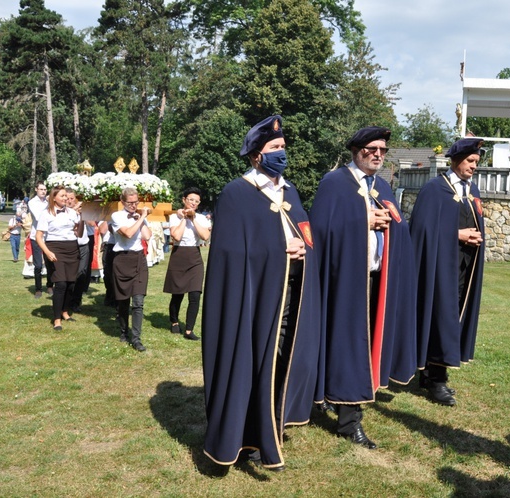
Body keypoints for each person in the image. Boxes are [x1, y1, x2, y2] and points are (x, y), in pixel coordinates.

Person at [202, 115, 321, 472]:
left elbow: (305, 234)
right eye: (274, 148)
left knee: (279, 362)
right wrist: (279, 249)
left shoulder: (290, 191)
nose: (281, 153)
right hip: (251, 302)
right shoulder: (236, 193)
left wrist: (303, 248)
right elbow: (230, 253)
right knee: (250, 365)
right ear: (256, 155)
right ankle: (243, 437)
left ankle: (269, 429)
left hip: (288, 298)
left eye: (283, 147)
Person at [310, 126, 419, 449]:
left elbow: (397, 228)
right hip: (343, 281)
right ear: (356, 150)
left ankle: (340, 402)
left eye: (383, 150)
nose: (378, 155)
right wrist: (363, 220)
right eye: (372, 149)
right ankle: (348, 420)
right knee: (345, 345)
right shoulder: (335, 183)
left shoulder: (382, 186)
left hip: (375, 280)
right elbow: (320, 228)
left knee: (362, 345)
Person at [410, 137, 486, 406]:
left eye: (476, 162)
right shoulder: (434, 189)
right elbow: (421, 230)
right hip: (439, 266)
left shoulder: (471, 190)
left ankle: (434, 373)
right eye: (470, 161)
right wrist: (458, 234)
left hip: (465, 266)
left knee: (453, 315)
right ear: (455, 160)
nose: (474, 166)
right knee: (439, 315)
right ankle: (434, 378)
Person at [163, 187, 211, 340]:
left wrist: (193, 219)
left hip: (194, 257)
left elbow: (204, 236)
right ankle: (174, 321)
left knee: (195, 294)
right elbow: (176, 236)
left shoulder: (202, 218)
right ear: (184, 200)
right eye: (190, 200)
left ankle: (189, 330)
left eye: (196, 201)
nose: (193, 203)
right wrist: (184, 218)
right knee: (177, 294)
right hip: (179, 254)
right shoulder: (175, 217)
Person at [110, 187, 152, 352]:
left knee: (138, 302)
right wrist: (141, 217)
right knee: (123, 301)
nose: (134, 205)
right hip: (122, 260)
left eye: (136, 202)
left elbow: (147, 236)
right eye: (130, 202)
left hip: (138, 259)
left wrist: (141, 219)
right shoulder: (116, 216)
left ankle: (136, 338)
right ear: (122, 202)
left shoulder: (139, 217)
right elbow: (127, 233)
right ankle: (123, 330)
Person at [35, 185, 82, 331]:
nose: (65, 198)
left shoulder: (72, 213)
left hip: (72, 248)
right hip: (55, 249)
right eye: (62, 196)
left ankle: (65, 312)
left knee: (70, 284)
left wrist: (82, 218)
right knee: (60, 284)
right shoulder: (46, 213)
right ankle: (56, 319)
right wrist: (48, 252)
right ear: (53, 197)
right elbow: (38, 236)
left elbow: (78, 233)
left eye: (67, 196)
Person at [28, 183, 51, 298]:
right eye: (41, 189)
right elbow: (39, 217)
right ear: (36, 190)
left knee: (50, 262)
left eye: (45, 189)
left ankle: (50, 285)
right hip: (35, 236)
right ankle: (38, 289)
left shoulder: (48, 202)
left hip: (48, 236)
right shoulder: (32, 202)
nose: (43, 191)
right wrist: (48, 205)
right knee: (38, 265)